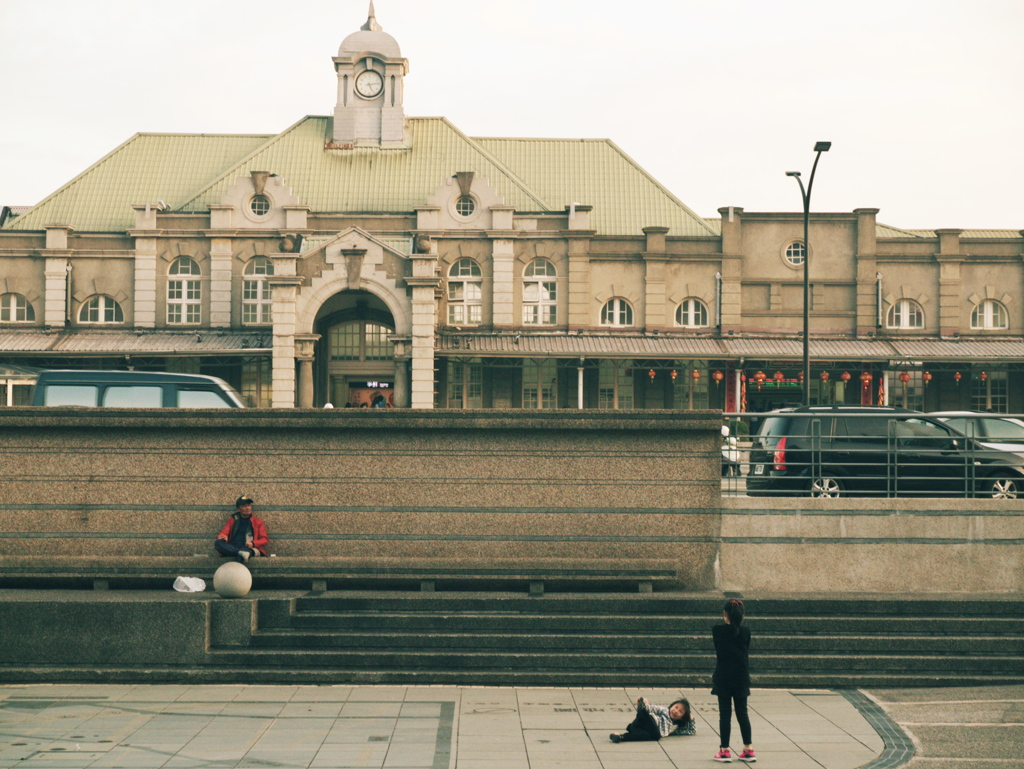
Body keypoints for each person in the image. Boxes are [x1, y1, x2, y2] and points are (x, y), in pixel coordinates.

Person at [712, 599, 755, 762]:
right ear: (742, 615)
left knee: (725, 714)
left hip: (723, 676)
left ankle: (724, 750)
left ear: (725, 614)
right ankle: (749, 749)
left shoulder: (717, 630)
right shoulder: (746, 632)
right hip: (741, 677)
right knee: (742, 713)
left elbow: (718, 648)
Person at [609, 696, 695, 743]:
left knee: (647, 737)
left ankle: (619, 737)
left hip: (640, 728)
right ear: (671, 706)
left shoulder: (675, 728)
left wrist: (691, 719)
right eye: (676, 707)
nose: (676, 711)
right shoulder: (664, 710)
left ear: (682, 717)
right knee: (656, 735)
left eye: (680, 711)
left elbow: (691, 731)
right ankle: (642, 709)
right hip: (647, 721)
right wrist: (645, 706)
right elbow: (653, 708)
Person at [214, 495, 269, 564]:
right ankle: (239, 553)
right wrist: (222, 537)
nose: (247, 508)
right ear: (238, 509)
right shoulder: (233, 519)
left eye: (248, 505)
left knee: (244, 553)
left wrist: (253, 543)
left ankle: (240, 555)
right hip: (233, 547)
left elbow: (264, 539)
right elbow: (224, 532)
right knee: (218, 543)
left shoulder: (258, 522)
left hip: (249, 548)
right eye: (244, 506)